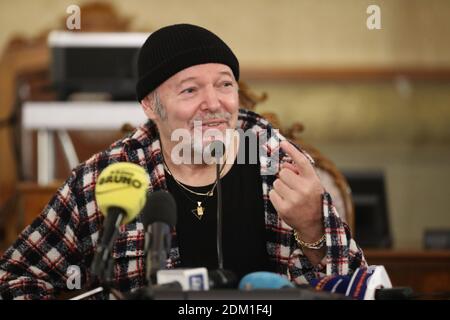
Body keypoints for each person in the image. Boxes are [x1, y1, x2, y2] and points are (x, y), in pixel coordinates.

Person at [0, 24, 366, 299]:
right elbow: (13, 279)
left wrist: (313, 227)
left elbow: (358, 288)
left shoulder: (281, 164)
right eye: (190, 89)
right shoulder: (105, 179)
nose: (214, 103)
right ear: (150, 105)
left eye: (224, 85)